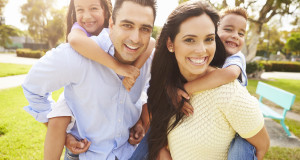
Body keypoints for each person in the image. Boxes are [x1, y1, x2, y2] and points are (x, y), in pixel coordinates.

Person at [22, 0, 156, 159]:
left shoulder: (150, 58)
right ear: (112, 23)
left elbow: (151, 89)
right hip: (84, 154)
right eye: (127, 25)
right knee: (60, 115)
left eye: (145, 28)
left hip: (129, 153)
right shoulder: (75, 55)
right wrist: (63, 134)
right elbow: (32, 88)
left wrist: (140, 121)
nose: (135, 38)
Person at [146, 1, 270, 160]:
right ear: (170, 43)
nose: (201, 50)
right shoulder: (167, 86)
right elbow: (159, 144)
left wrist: (184, 90)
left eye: (209, 39)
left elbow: (262, 146)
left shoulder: (228, 93)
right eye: (190, 40)